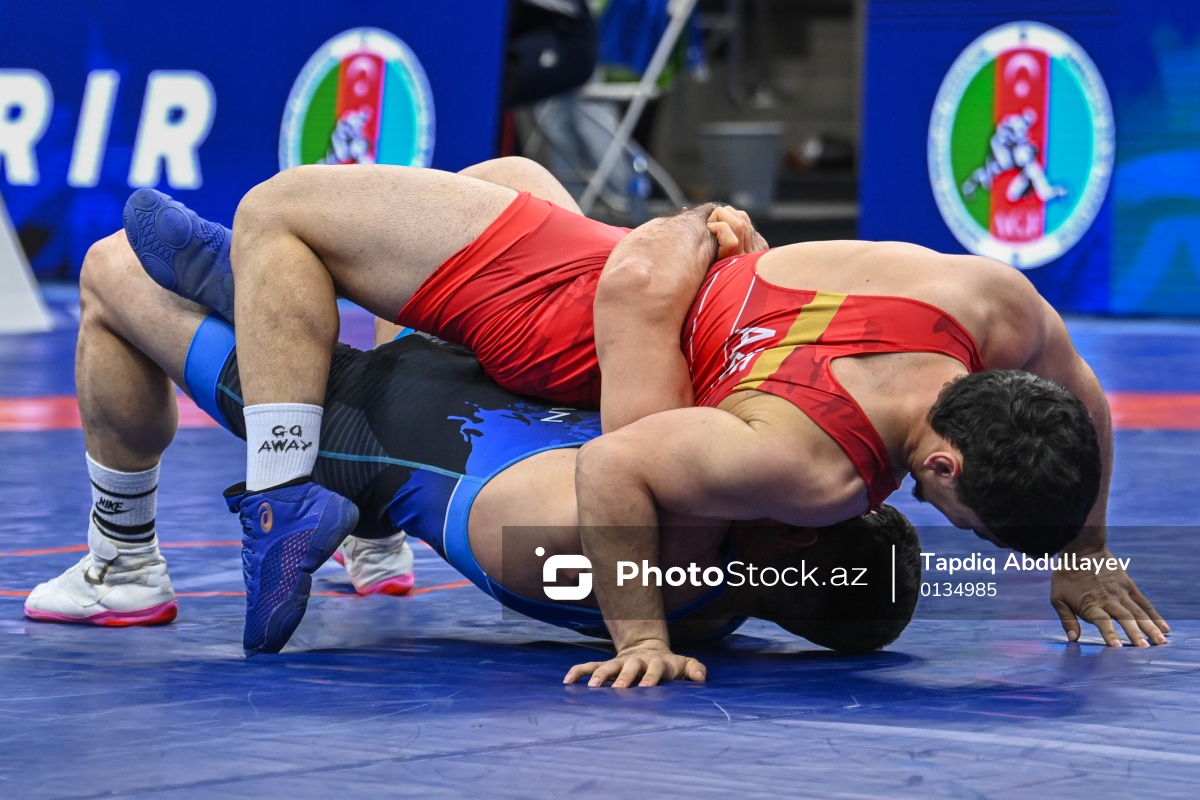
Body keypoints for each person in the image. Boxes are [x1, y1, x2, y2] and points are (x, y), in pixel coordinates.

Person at [116, 158, 1163, 659]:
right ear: (944, 464)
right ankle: (268, 309)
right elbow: (625, 456)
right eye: (960, 518)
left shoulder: (982, 303)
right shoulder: (810, 476)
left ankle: (285, 470)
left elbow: (625, 436)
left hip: (600, 307)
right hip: (584, 320)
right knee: (510, 173)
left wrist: (666, 265)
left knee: (269, 215)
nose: (931, 516)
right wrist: (1086, 549)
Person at [25, 233, 921, 678]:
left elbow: (638, 324)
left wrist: (697, 244)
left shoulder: (679, 537)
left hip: (372, 431)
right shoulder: (717, 568)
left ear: (801, 535)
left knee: (112, 268)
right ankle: (370, 533)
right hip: (476, 402)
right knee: (505, 186)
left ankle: (125, 561)